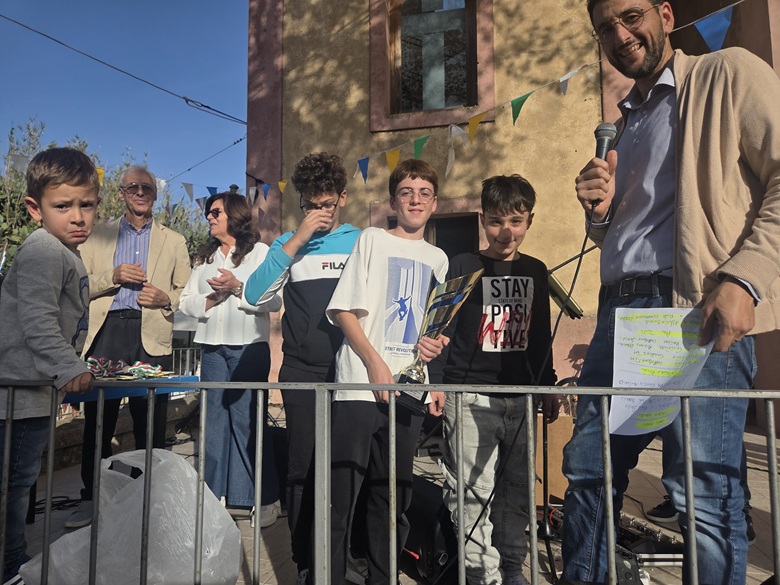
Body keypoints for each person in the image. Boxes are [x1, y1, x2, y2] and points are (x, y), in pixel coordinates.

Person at [561, 1, 780, 583]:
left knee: (702, 492)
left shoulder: (726, 72)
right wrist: (600, 216)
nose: (620, 35)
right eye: (605, 28)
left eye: (630, 16)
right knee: (589, 471)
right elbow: (642, 231)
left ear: (663, 13)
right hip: (619, 314)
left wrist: (746, 276)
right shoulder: (626, 117)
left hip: (694, 310)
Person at [429, 174, 559, 585]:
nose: (507, 232)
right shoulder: (462, 265)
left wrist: (548, 385)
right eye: (497, 221)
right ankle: (483, 575)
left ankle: (511, 566)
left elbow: (539, 335)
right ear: (484, 220)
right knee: (472, 493)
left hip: (520, 396)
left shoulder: (537, 271)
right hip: (468, 395)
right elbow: (440, 329)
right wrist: (436, 382)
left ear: (530, 221)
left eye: (516, 221)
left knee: (516, 491)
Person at [325, 159, 449, 585]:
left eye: (424, 193)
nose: (416, 199)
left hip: (409, 392)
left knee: (392, 497)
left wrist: (433, 377)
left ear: (435, 204)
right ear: (394, 201)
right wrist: (376, 364)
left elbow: (430, 331)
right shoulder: (371, 239)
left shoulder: (439, 259)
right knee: (342, 497)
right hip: (361, 387)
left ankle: (384, 578)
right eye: (407, 192)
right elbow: (343, 310)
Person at [244, 153, 361, 579]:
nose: (320, 213)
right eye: (312, 205)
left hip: (351, 374)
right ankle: (305, 560)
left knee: (348, 469)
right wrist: (295, 242)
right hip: (301, 373)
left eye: (327, 204)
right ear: (301, 204)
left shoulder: (359, 241)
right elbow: (253, 296)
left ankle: (346, 558)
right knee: (302, 468)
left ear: (343, 199)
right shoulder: (285, 246)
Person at [67, 165, 191, 528]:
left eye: (148, 188)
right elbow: (78, 286)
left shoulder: (175, 241)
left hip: (152, 336)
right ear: (121, 193)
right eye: (133, 187)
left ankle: (148, 501)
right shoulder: (96, 236)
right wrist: (114, 277)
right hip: (105, 332)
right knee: (98, 422)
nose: (140, 192)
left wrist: (166, 297)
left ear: (156, 195)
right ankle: (93, 499)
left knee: (150, 422)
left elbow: (188, 294)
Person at [0, 147, 98, 580]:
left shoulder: (62, 251)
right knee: (14, 486)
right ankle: (10, 566)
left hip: (35, 388)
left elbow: (62, 304)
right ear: (34, 208)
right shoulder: (43, 249)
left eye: (87, 205)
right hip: (20, 389)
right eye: (63, 206)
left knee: (19, 483)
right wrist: (69, 367)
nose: (77, 216)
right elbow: (38, 320)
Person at [179, 192, 282, 527]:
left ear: (234, 215)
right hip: (211, 347)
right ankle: (211, 498)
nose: (209, 216)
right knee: (212, 423)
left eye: (215, 212)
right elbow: (185, 302)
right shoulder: (204, 257)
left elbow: (274, 301)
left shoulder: (261, 253)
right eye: (208, 212)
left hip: (248, 347)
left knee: (247, 422)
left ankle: (259, 497)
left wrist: (239, 288)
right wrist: (212, 299)